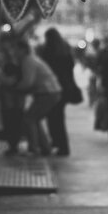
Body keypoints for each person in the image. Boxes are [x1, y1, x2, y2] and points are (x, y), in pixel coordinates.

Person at [9, 38, 62, 156]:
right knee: (34, 118)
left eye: (15, 49)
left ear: (22, 50)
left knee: (29, 119)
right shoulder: (30, 59)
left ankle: (34, 148)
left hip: (48, 93)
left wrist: (15, 87)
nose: (13, 52)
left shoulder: (28, 61)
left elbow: (28, 82)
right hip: (51, 92)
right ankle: (45, 148)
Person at [37, 28, 78, 156]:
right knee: (59, 118)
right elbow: (70, 68)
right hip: (65, 88)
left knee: (53, 118)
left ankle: (58, 144)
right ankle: (61, 145)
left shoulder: (48, 51)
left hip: (52, 88)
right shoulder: (66, 50)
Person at [0, 34, 26, 156]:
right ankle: (13, 145)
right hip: (12, 99)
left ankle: (13, 146)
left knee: (12, 121)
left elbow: (12, 80)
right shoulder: (15, 59)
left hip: (12, 98)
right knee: (11, 121)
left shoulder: (16, 60)